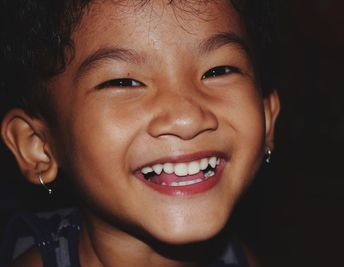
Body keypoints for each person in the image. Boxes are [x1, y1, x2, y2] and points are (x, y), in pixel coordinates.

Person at [0, 0, 280, 266]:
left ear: (267, 119)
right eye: (124, 82)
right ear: (38, 145)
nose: (187, 118)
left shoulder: (240, 258)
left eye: (218, 70)